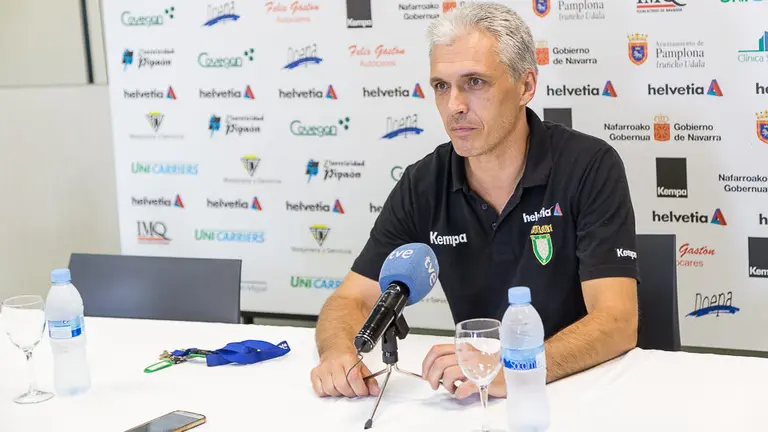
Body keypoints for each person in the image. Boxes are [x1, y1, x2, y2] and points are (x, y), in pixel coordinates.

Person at [310, 1, 638, 400]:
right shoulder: (424, 182)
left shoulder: (589, 165)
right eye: (441, 86)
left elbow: (618, 320)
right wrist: (338, 353)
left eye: (475, 83)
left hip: (588, 389)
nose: (454, 106)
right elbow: (350, 299)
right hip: (480, 396)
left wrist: (516, 362)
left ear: (526, 86)